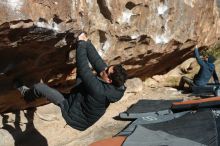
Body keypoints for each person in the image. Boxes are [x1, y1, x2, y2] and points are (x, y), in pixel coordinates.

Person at [14, 31, 128, 131]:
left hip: (75, 115)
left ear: (108, 80)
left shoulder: (99, 91)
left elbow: (84, 70)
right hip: (82, 98)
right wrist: (87, 42)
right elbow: (97, 61)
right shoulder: (116, 83)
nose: (104, 68)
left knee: (40, 87)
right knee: (85, 72)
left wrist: (81, 44)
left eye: (106, 71)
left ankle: (26, 95)